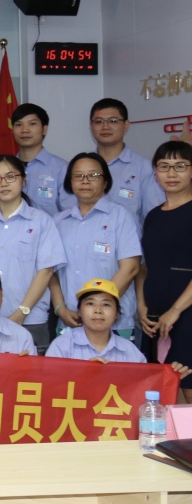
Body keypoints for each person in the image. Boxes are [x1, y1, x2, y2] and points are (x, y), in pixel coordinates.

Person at [0, 154, 65, 353]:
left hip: (31, 320)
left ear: (23, 180)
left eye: (10, 176)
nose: (3, 183)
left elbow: (46, 271)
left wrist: (22, 312)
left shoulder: (41, 221)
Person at [49, 152, 141, 342]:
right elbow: (50, 272)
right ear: (70, 182)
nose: (85, 181)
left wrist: (96, 309)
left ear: (105, 182)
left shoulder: (121, 216)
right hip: (70, 321)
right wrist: (60, 309)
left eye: (93, 175)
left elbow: (130, 268)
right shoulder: (58, 222)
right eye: (78, 176)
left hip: (114, 323)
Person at [48, 280, 192, 388]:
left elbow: (143, 390)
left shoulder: (128, 351)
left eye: (106, 304)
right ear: (79, 311)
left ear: (117, 314)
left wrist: (169, 379)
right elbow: (47, 386)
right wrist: (82, 374)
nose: (98, 310)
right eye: (90, 303)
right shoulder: (62, 345)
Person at [138, 141, 192, 393]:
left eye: (180, 166)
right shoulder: (153, 216)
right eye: (164, 166)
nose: (171, 173)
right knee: (165, 390)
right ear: (155, 173)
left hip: (186, 312)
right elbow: (145, 268)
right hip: (156, 315)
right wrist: (141, 306)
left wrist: (175, 311)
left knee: (188, 385)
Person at [89, 97, 165, 226]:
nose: (105, 126)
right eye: (99, 121)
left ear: (126, 125)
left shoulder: (143, 168)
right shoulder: (81, 168)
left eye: (113, 121)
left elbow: (154, 218)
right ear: (91, 126)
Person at [12, 103, 69, 217]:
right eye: (18, 124)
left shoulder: (62, 169)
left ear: (44, 129)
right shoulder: (6, 168)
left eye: (32, 124)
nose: (24, 130)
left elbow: (69, 214)